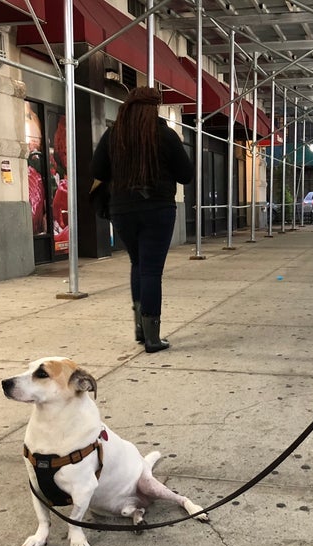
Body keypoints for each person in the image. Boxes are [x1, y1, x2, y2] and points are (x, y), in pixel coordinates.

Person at [91, 87, 194, 352]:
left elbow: (98, 170)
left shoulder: (113, 135)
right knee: (151, 270)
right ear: (152, 108)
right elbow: (186, 175)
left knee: (137, 264)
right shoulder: (164, 135)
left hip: (122, 210)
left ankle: (140, 328)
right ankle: (152, 337)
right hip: (157, 208)